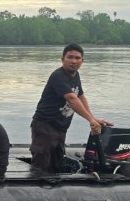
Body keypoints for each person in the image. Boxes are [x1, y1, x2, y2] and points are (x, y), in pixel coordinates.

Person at [30, 43, 112, 174]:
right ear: (62, 59)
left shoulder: (76, 76)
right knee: (41, 161)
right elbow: (72, 99)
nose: (74, 61)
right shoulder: (58, 76)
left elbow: (80, 96)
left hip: (61, 128)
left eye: (77, 58)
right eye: (70, 57)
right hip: (45, 125)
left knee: (56, 163)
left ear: (82, 61)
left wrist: (93, 118)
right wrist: (91, 120)